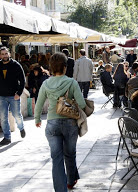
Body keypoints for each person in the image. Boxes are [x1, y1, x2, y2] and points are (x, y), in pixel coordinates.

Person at [34, 52, 86, 192]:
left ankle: (60, 190)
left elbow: (38, 104)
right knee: (70, 153)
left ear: (50, 68)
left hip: (52, 123)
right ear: (65, 67)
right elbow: (81, 104)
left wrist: (37, 119)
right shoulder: (71, 82)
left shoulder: (45, 83)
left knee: (56, 158)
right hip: (70, 123)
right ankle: (70, 181)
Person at [0, 47, 26, 145]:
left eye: (6, 53)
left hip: (14, 95)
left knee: (17, 115)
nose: (4, 56)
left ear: (9, 54)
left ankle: (21, 128)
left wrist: (19, 93)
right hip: (2, 96)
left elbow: (22, 80)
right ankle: (7, 137)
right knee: (3, 117)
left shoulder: (16, 65)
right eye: (2, 54)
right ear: (0, 56)